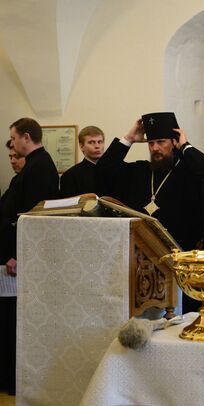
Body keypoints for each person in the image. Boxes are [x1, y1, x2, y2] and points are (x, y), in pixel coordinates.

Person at [96, 112, 204, 311]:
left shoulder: (189, 174)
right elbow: (103, 170)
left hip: (181, 262)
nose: (155, 148)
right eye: (151, 143)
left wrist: (186, 146)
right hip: (141, 264)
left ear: (174, 143)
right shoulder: (139, 172)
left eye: (161, 142)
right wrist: (129, 139)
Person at [0, 118, 59, 396]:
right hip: (17, 250)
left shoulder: (39, 166)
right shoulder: (36, 164)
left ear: (25, 137)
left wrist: (16, 255)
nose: (11, 143)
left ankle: (13, 380)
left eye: (13, 138)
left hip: (23, 255)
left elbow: (30, 218)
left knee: (15, 320)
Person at [59, 125, 105, 197]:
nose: (97, 146)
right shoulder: (70, 176)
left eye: (100, 142)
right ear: (81, 146)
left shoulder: (114, 170)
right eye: (91, 142)